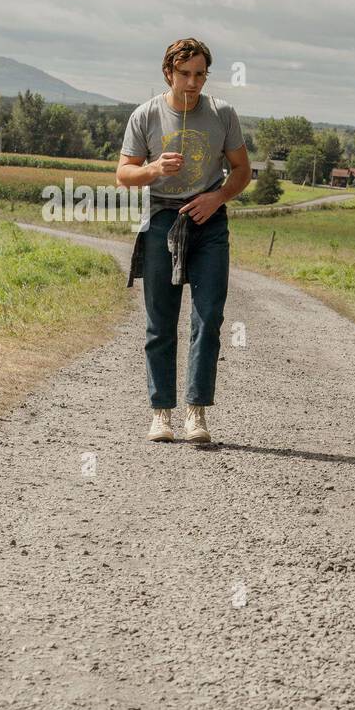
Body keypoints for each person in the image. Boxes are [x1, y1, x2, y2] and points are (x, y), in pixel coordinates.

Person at [117, 37, 251, 444]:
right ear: (168, 73)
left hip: (209, 221)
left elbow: (242, 170)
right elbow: (123, 174)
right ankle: (161, 413)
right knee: (160, 323)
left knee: (208, 318)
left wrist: (218, 197)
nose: (193, 83)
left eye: (200, 75)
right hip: (161, 218)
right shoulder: (146, 115)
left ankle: (196, 412)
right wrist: (154, 168)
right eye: (185, 74)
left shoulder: (223, 114)